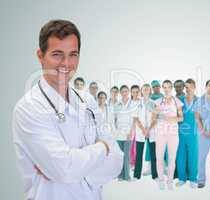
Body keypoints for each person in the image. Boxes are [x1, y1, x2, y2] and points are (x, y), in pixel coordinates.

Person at [12, 19, 123, 200]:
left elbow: (117, 161)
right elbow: (65, 169)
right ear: (40, 56)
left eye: (73, 54)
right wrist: (103, 148)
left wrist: (75, 167)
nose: (66, 63)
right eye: (57, 54)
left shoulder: (87, 101)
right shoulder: (29, 108)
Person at [153, 80, 184, 190]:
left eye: (168, 87)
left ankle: (170, 181)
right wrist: (160, 117)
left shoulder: (177, 102)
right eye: (164, 87)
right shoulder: (158, 102)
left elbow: (181, 118)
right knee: (159, 158)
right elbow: (154, 117)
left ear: (171, 88)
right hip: (160, 134)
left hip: (173, 134)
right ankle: (161, 180)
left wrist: (170, 118)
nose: (166, 89)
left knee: (172, 158)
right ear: (162, 88)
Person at [176, 79, 199, 188]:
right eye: (186, 87)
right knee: (181, 156)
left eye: (189, 87)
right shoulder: (180, 100)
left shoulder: (199, 101)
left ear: (194, 87)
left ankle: (193, 179)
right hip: (181, 134)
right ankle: (182, 178)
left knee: (193, 157)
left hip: (193, 134)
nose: (187, 89)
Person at [133, 84, 158, 180]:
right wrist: (143, 129)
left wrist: (149, 129)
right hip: (141, 131)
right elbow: (136, 118)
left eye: (147, 89)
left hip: (151, 131)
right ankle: (136, 175)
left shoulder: (153, 103)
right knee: (139, 154)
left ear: (150, 91)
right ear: (141, 91)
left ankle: (155, 175)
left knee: (153, 154)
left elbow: (155, 119)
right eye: (144, 89)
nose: (146, 91)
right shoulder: (137, 103)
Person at [114, 85, 136, 181]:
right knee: (120, 155)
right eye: (122, 91)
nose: (124, 93)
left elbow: (135, 119)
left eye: (126, 91)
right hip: (119, 133)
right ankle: (120, 175)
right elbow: (114, 119)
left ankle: (127, 176)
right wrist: (115, 131)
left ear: (128, 92)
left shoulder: (133, 104)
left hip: (128, 133)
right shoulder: (117, 105)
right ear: (120, 93)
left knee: (126, 155)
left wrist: (131, 132)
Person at [143, 80, 164, 176]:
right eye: (154, 87)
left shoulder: (163, 97)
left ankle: (163, 166)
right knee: (150, 147)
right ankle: (150, 167)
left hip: (161, 124)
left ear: (160, 87)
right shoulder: (149, 99)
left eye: (157, 86)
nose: (156, 88)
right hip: (151, 125)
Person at [130, 85, 141, 170]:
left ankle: (135, 163)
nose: (135, 93)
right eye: (133, 92)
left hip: (139, 127)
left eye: (137, 92)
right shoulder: (128, 102)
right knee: (130, 146)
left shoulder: (141, 102)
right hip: (130, 127)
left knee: (136, 146)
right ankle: (130, 162)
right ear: (131, 92)